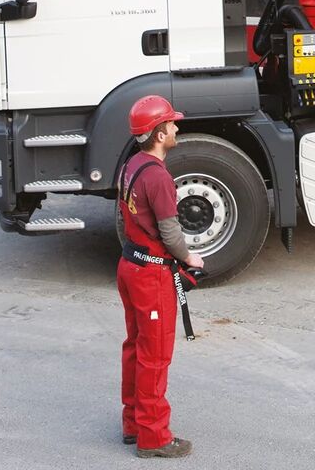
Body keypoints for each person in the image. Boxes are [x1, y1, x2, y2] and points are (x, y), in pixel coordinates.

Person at [118, 95, 203, 459]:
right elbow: (170, 233)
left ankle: (133, 424)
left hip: (130, 266)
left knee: (135, 348)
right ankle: (153, 437)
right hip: (151, 277)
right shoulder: (158, 177)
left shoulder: (132, 165)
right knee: (154, 356)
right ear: (158, 133)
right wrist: (189, 257)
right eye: (171, 124)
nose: (175, 128)